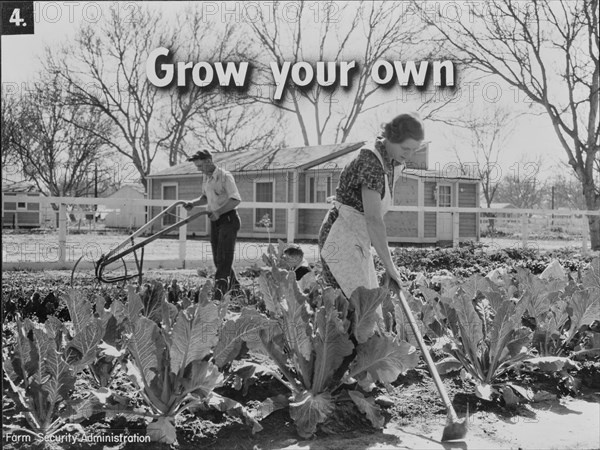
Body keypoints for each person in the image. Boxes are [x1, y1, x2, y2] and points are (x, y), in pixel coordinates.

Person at [318, 113, 425, 299]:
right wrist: (390, 267)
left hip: (359, 240)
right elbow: (373, 219)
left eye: (413, 150)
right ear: (391, 137)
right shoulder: (371, 161)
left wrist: (388, 266)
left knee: (367, 311)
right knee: (353, 311)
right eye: (405, 148)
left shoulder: (392, 161)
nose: (408, 155)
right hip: (339, 239)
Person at [184, 149, 242, 300]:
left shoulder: (225, 177)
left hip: (228, 219)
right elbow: (205, 197)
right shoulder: (206, 177)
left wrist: (219, 212)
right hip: (215, 220)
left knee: (224, 259)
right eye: (197, 166)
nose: (199, 169)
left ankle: (218, 296)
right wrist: (193, 203)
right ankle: (236, 291)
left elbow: (235, 200)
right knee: (218, 259)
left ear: (209, 161)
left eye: (200, 166)